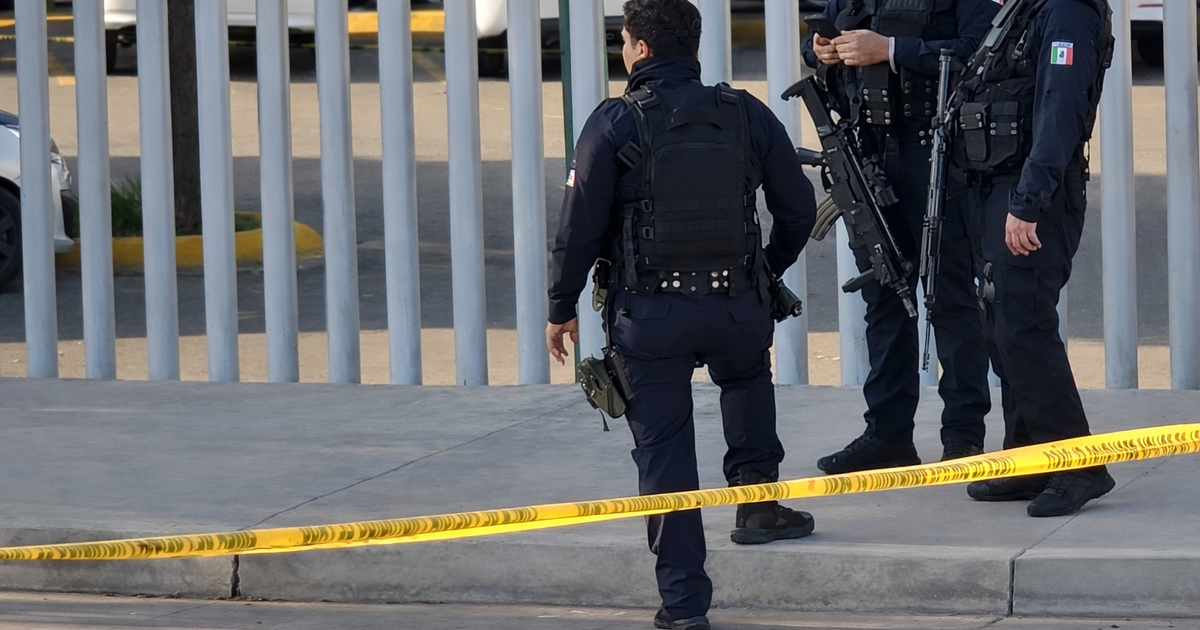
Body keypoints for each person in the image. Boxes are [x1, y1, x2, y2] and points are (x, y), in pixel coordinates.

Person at [545, 2, 818, 628]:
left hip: (649, 318)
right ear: (692, 46)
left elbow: (577, 228)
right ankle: (757, 504)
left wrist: (560, 306)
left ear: (639, 49)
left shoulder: (615, 122)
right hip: (734, 308)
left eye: (622, 41)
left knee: (666, 458)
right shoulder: (746, 113)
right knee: (747, 381)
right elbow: (799, 210)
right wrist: (763, 271)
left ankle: (686, 607)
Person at [800, 0, 1001, 474]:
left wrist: (892, 50)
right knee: (884, 297)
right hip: (868, 153)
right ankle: (887, 434)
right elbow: (824, 44)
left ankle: (964, 436)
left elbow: (981, 53)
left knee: (950, 298)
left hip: (935, 154)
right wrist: (821, 51)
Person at [955, 0, 1116, 517]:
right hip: (1000, 185)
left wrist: (1028, 200)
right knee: (1001, 322)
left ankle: (1079, 464)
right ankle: (1031, 458)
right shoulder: (1025, 10)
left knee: (1023, 323)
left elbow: (1059, 108)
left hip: (1033, 190)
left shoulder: (1067, 11)